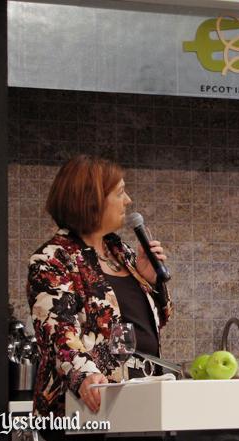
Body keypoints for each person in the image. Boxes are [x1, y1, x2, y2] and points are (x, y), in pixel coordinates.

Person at [26, 155, 172, 440]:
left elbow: (156, 323)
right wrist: (84, 376)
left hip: (138, 404)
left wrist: (151, 283)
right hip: (86, 409)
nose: (128, 200)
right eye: (119, 193)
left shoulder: (124, 254)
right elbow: (58, 332)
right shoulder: (53, 259)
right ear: (90, 200)